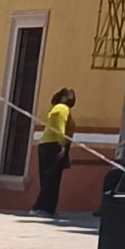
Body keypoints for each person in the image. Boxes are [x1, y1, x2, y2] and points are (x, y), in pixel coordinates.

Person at [33, 88, 75, 216]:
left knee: (51, 178)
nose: (74, 100)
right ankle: (40, 207)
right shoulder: (62, 108)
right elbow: (59, 127)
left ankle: (49, 208)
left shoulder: (58, 108)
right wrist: (62, 145)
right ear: (64, 98)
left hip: (49, 145)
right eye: (71, 96)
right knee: (51, 178)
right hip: (54, 145)